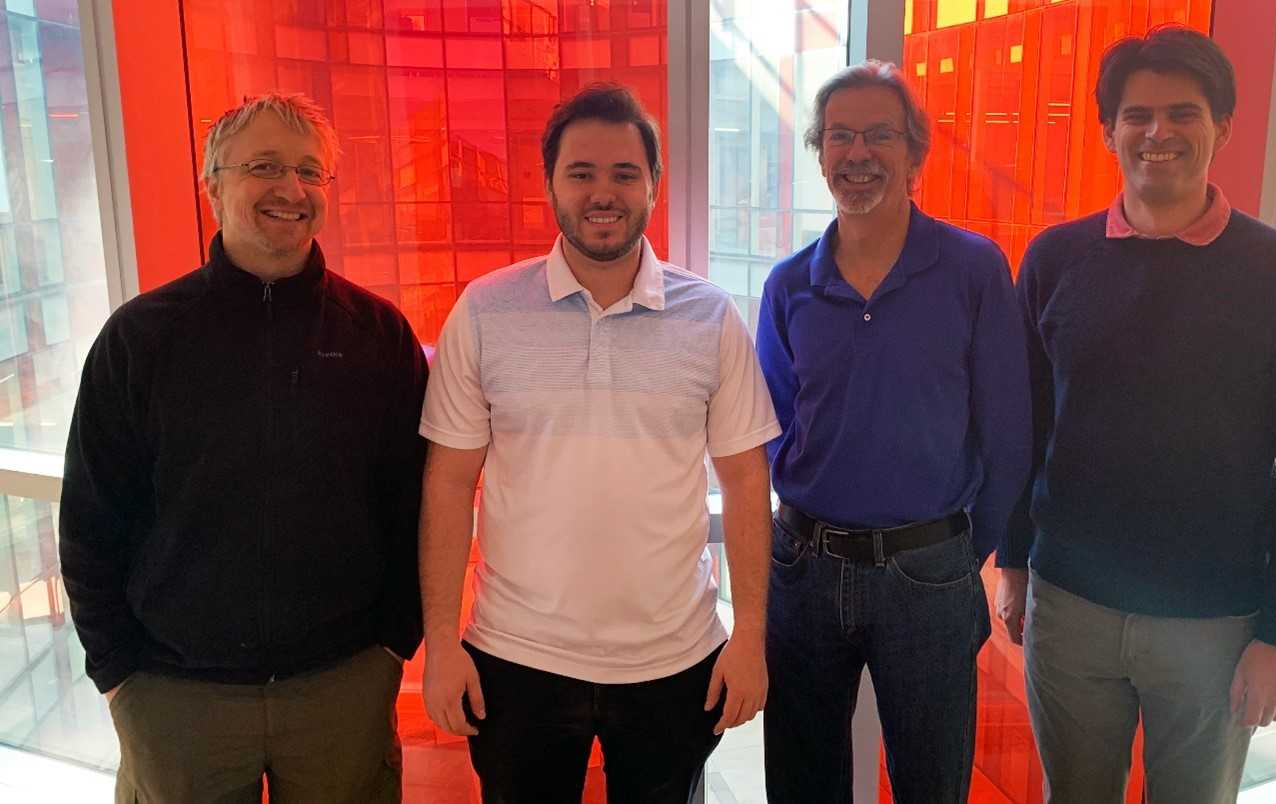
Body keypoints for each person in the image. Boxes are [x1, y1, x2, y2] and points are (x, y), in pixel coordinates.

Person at [997, 26, 1276, 804]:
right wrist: (1015, 563)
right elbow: (1028, 430)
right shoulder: (1054, 259)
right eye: (1137, 115)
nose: (1157, 133)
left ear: (1220, 127)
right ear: (1108, 131)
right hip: (1070, 610)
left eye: (1183, 114)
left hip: (1214, 624)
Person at [59, 92, 428, 803]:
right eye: (264, 166)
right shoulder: (140, 339)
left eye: (310, 171)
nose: (290, 189)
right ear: (213, 185)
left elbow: (412, 505)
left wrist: (392, 647)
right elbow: (90, 520)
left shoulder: (377, 335)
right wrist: (118, 674)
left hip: (341, 685)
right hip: (174, 696)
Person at [417, 83, 780, 804]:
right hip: (515, 659)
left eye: (623, 173)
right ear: (549, 182)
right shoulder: (487, 310)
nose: (602, 192)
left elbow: (745, 483)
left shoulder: (708, 317)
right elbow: (449, 484)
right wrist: (441, 644)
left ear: (653, 183)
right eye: (580, 172)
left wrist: (750, 639)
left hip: (673, 661)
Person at [755, 61, 1033, 804]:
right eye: (839, 136)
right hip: (803, 570)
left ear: (914, 155)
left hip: (928, 572)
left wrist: (955, 550)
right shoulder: (787, 286)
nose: (857, 153)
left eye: (880, 135)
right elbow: (772, 432)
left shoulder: (973, 269)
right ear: (819, 154)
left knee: (931, 782)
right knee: (801, 779)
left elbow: (1007, 432)